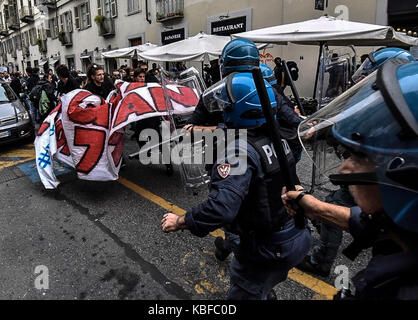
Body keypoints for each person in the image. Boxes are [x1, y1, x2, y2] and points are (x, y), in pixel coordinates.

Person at [162, 39, 312, 300]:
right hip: (296, 236)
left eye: (226, 105)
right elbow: (296, 124)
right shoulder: (275, 133)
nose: (221, 106)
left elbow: (221, 207)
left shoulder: (239, 150)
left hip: (266, 245)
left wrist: (180, 221)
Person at [282, 59, 418, 299]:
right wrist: (313, 206)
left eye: (360, 156)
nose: (345, 168)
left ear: (404, 172)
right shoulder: (405, 229)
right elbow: (373, 223)